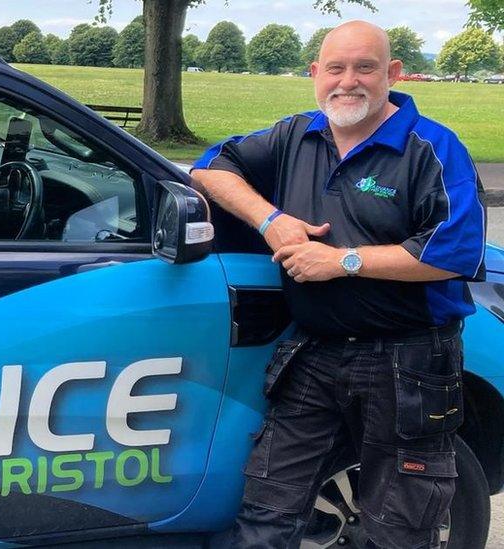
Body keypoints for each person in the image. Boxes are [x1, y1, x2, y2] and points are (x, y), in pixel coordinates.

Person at [191, 21, 486, 549]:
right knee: (266, 511)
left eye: (365, 67)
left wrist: (342, 261)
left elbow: (452, 253)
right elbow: (210, 168)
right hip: (315, 354)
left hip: (409, 361)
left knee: (397, 529)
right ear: (315, 74)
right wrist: (271, 220)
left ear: (391, 73)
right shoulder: (296, 135)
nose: (348, 81)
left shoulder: (432, 148)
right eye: (335, 68)